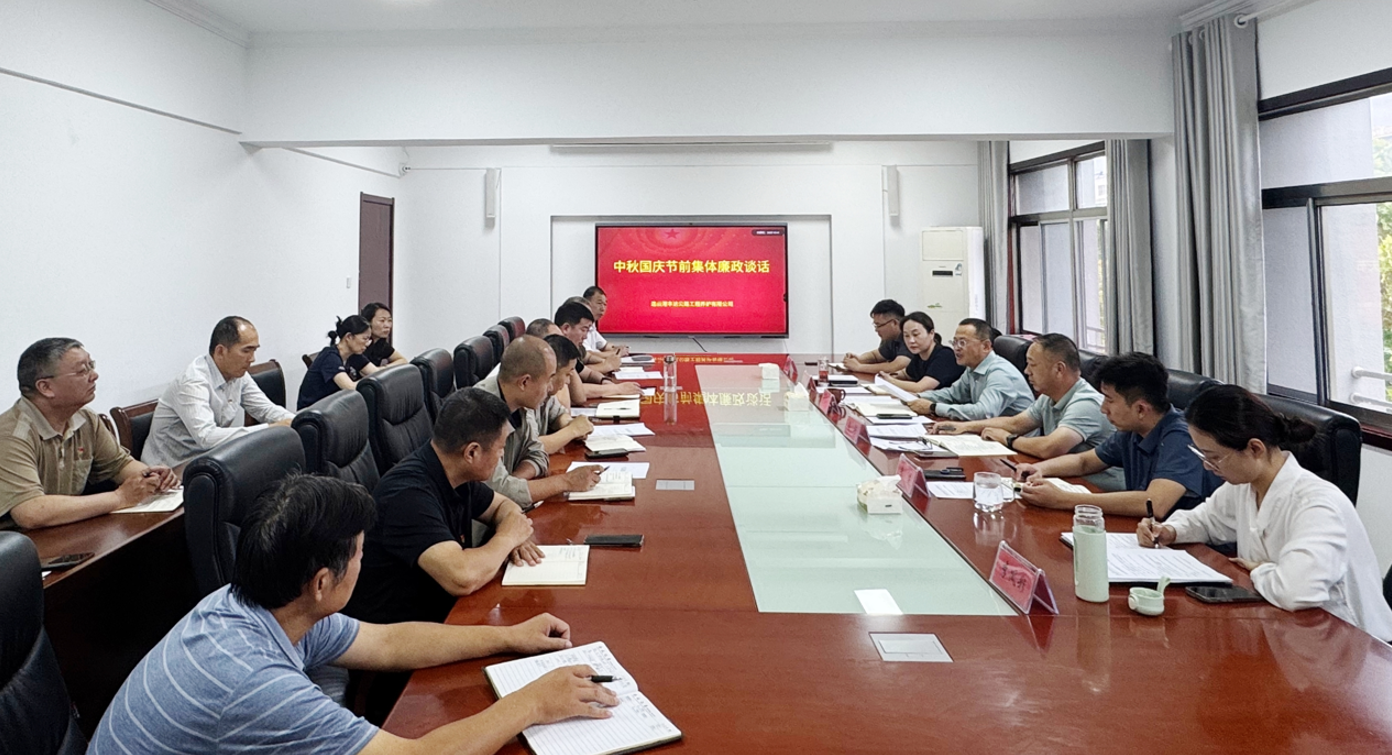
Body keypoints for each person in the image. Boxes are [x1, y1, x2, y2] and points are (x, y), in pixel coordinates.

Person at [90, 473, 618, 755]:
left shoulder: (253, 603)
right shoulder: (256, 684)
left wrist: (510, 637)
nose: (365, 562)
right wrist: (533, 702)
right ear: (322, 582)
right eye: (361, 553)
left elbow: (386, 643)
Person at [1139, 386, 1392, 641]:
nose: (1208, 467)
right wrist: (1169, 530)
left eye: (1214, 457)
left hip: (1351, 643)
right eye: (1202, 455)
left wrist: (1259, 570)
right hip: (1287, 629)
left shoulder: (1317, 504)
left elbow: (1295, 591)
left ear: (1255, 449)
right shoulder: (1245, 486)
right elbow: (1205, 520)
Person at [1015, 352, 1221, 519]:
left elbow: (1154, 504)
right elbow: (1084, 462)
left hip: (1195, 547)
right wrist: (1040, 469)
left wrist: (1062, 499)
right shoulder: (1133, 430)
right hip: (1148, 532)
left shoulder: (1181, 437)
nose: (1103, 409)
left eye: (1109, 400)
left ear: (1141, 409)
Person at [0, 338, 178, 529]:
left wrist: (150, 478)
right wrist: (119, 498)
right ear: (46, 387)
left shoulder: (85, 418)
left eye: (91, 365)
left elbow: (119, 465)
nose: (94, 375)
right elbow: (31, 512)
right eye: (82, 371)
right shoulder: (11, 435)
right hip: (19, 540)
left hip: (67, 528)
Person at [934, 334, 1122, 491]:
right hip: (1065, 480)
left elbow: (1051, 447)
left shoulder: (1086, 403)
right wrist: (965, 427)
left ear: (1059, 369)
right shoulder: (1049, 396)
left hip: (1096, 490)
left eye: (1032, 364)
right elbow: (1016, 423)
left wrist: (1008, 439)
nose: (1026, 371)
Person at [143, 317, 295, 469]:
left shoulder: (238, 375)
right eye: (246, 351)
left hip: (209, 460)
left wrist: (296, 421)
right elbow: (206, 437)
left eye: (254, 350)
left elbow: (266, 410)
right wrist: (270, 428)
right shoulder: (193, 382)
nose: (252, 359)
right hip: (168, 469)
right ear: (220, 351)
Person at [471, 336, 602, 507]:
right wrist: (567, 481)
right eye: (548, 380)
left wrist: (515, 482)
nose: (550, 388)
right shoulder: (481, 412)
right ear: (524, 382)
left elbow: (537, 452)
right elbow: (496, 492)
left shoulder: (521, 400)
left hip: (509, 505)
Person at [908, 318, 1033, 420]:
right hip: (989, 432)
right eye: (955, 342)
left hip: (1015, 440)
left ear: (986, 346)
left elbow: (983, 412)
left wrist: (933, 407)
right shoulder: (973, 368)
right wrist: (917, 397)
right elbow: (952, 394)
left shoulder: (1001, 374)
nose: (956, 348)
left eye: (962, 342)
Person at [554, 301, 641, 403]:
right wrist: (617, 389)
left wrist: (604, 380)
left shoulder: (569, 350)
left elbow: (588, 373)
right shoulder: (554, 351)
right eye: (583, 330)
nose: (585, 337)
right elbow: (576, 392)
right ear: (566, 328)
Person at [297, 315, 373, 410]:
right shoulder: (330, 357)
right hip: (313, 412)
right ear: (349, 337)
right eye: (365, 339)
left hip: (333, 407)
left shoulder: (353, 354)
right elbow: (350, 388)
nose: (367, 344)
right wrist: (373, 384)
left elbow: (376, 372)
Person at [880, 311, 963, 394]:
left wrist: (891, 381)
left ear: (931, 333)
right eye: (906, 336)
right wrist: (889, 375)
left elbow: (920, 388)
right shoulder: (919, 355)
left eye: (916, 334)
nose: (911, 340)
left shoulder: (945, 356)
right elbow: (906, 373)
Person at [537, 334, 594, 453]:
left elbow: (558, 415)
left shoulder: (547, 393)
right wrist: (572, 430)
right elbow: (531, 447)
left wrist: (570, 423)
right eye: (567, 374)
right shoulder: (529, 395)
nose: (568, 382)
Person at [843, 299, 911, 374]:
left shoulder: (909, 336)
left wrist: (859, 367)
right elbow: (875, 356)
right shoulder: (891, 338)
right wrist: (859, 359)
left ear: (894, 323)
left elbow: (896, 366)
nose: (876, 330)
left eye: (878, 325)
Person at [352, 302, 409, 375]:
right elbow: (366, 373)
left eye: (389, 320)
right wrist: (378, 370)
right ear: (368, 322)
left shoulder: (380, 342)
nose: (387, 326)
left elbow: (403, 361)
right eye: (382, 321)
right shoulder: (359, 343)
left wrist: (383, 368)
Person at [582, 285, 629, 358]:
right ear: (586, 304)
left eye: (605, 304)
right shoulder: (579, 325)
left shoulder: (592, 326)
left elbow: (605, 346)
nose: (602, 308)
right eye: (599, 303)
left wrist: (619, 348)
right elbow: (588, 355)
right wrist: (616, 353)